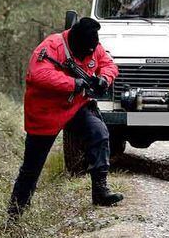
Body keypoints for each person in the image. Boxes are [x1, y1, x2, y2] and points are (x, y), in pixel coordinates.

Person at [7, 17, 124, 220]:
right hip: (46, 112)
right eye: (84, 53)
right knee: (31, 168)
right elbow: (38, 74)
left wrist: (104, 79)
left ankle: (100, 191)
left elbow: (109, 64)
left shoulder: (92, 45)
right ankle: (15, 215)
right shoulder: (51, 46)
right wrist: (73, 83)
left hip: (76, 106)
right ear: (74, 42)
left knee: (99, 132)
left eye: (92, 51)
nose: (89, 56)